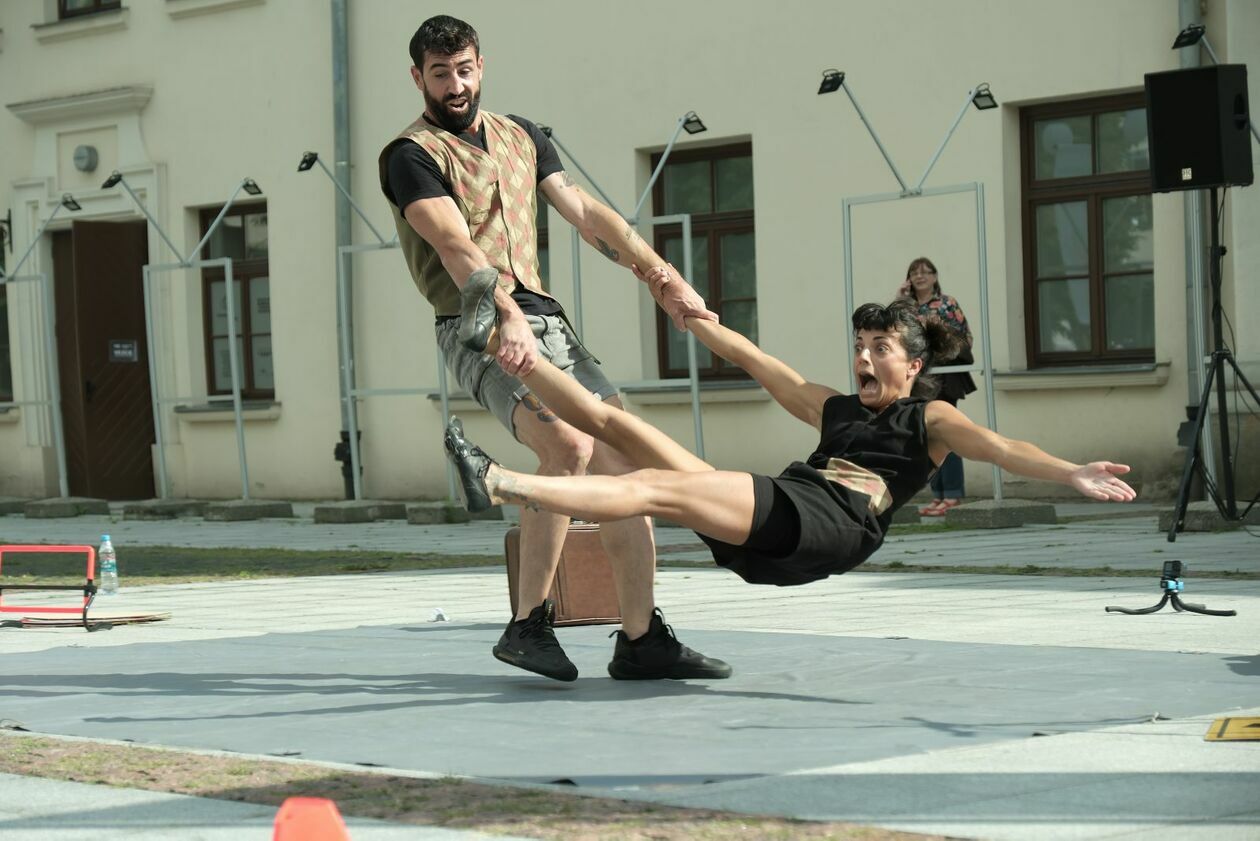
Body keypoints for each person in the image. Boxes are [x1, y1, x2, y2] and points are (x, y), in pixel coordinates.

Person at [378, 15, 730, 682]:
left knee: (626, 464)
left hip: (549, 323)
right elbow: (455, 246)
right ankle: (528, 625)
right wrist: (506, 315)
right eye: (440, 73)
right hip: (477, 326)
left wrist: (664, 277)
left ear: (481, 64)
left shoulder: (522, 136)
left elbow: (586, 212)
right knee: (565, 448)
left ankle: (641, 636)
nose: (455, 84)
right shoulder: (410, 155)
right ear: (417, 76)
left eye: (464, 69)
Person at [445, 267, 1136, 587]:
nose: (864, 359)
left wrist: (1072, 471)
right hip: (787, 507)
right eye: (859, 347)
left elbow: (1004, 448)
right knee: (612, 422)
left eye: (880, 350)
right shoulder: (836, 406)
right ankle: (506, 350)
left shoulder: (929, 416)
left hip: (828, 524)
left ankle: (499, 481)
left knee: (654, 486)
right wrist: (690, 312)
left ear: (914, 363)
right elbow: (757, 362)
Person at [897, 257, 975, 516]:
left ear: (934, 276)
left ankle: (952, 494)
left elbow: (963, 337)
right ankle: (939, 494)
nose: (920, 276)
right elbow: (892, 331)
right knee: (926, 436)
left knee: (947, 431)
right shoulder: (907, 306)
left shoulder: (946, 303)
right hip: (918, 378)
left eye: (925, 272)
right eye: (914, 273)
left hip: (942, 377)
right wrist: (899, 299)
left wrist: (937, 348)